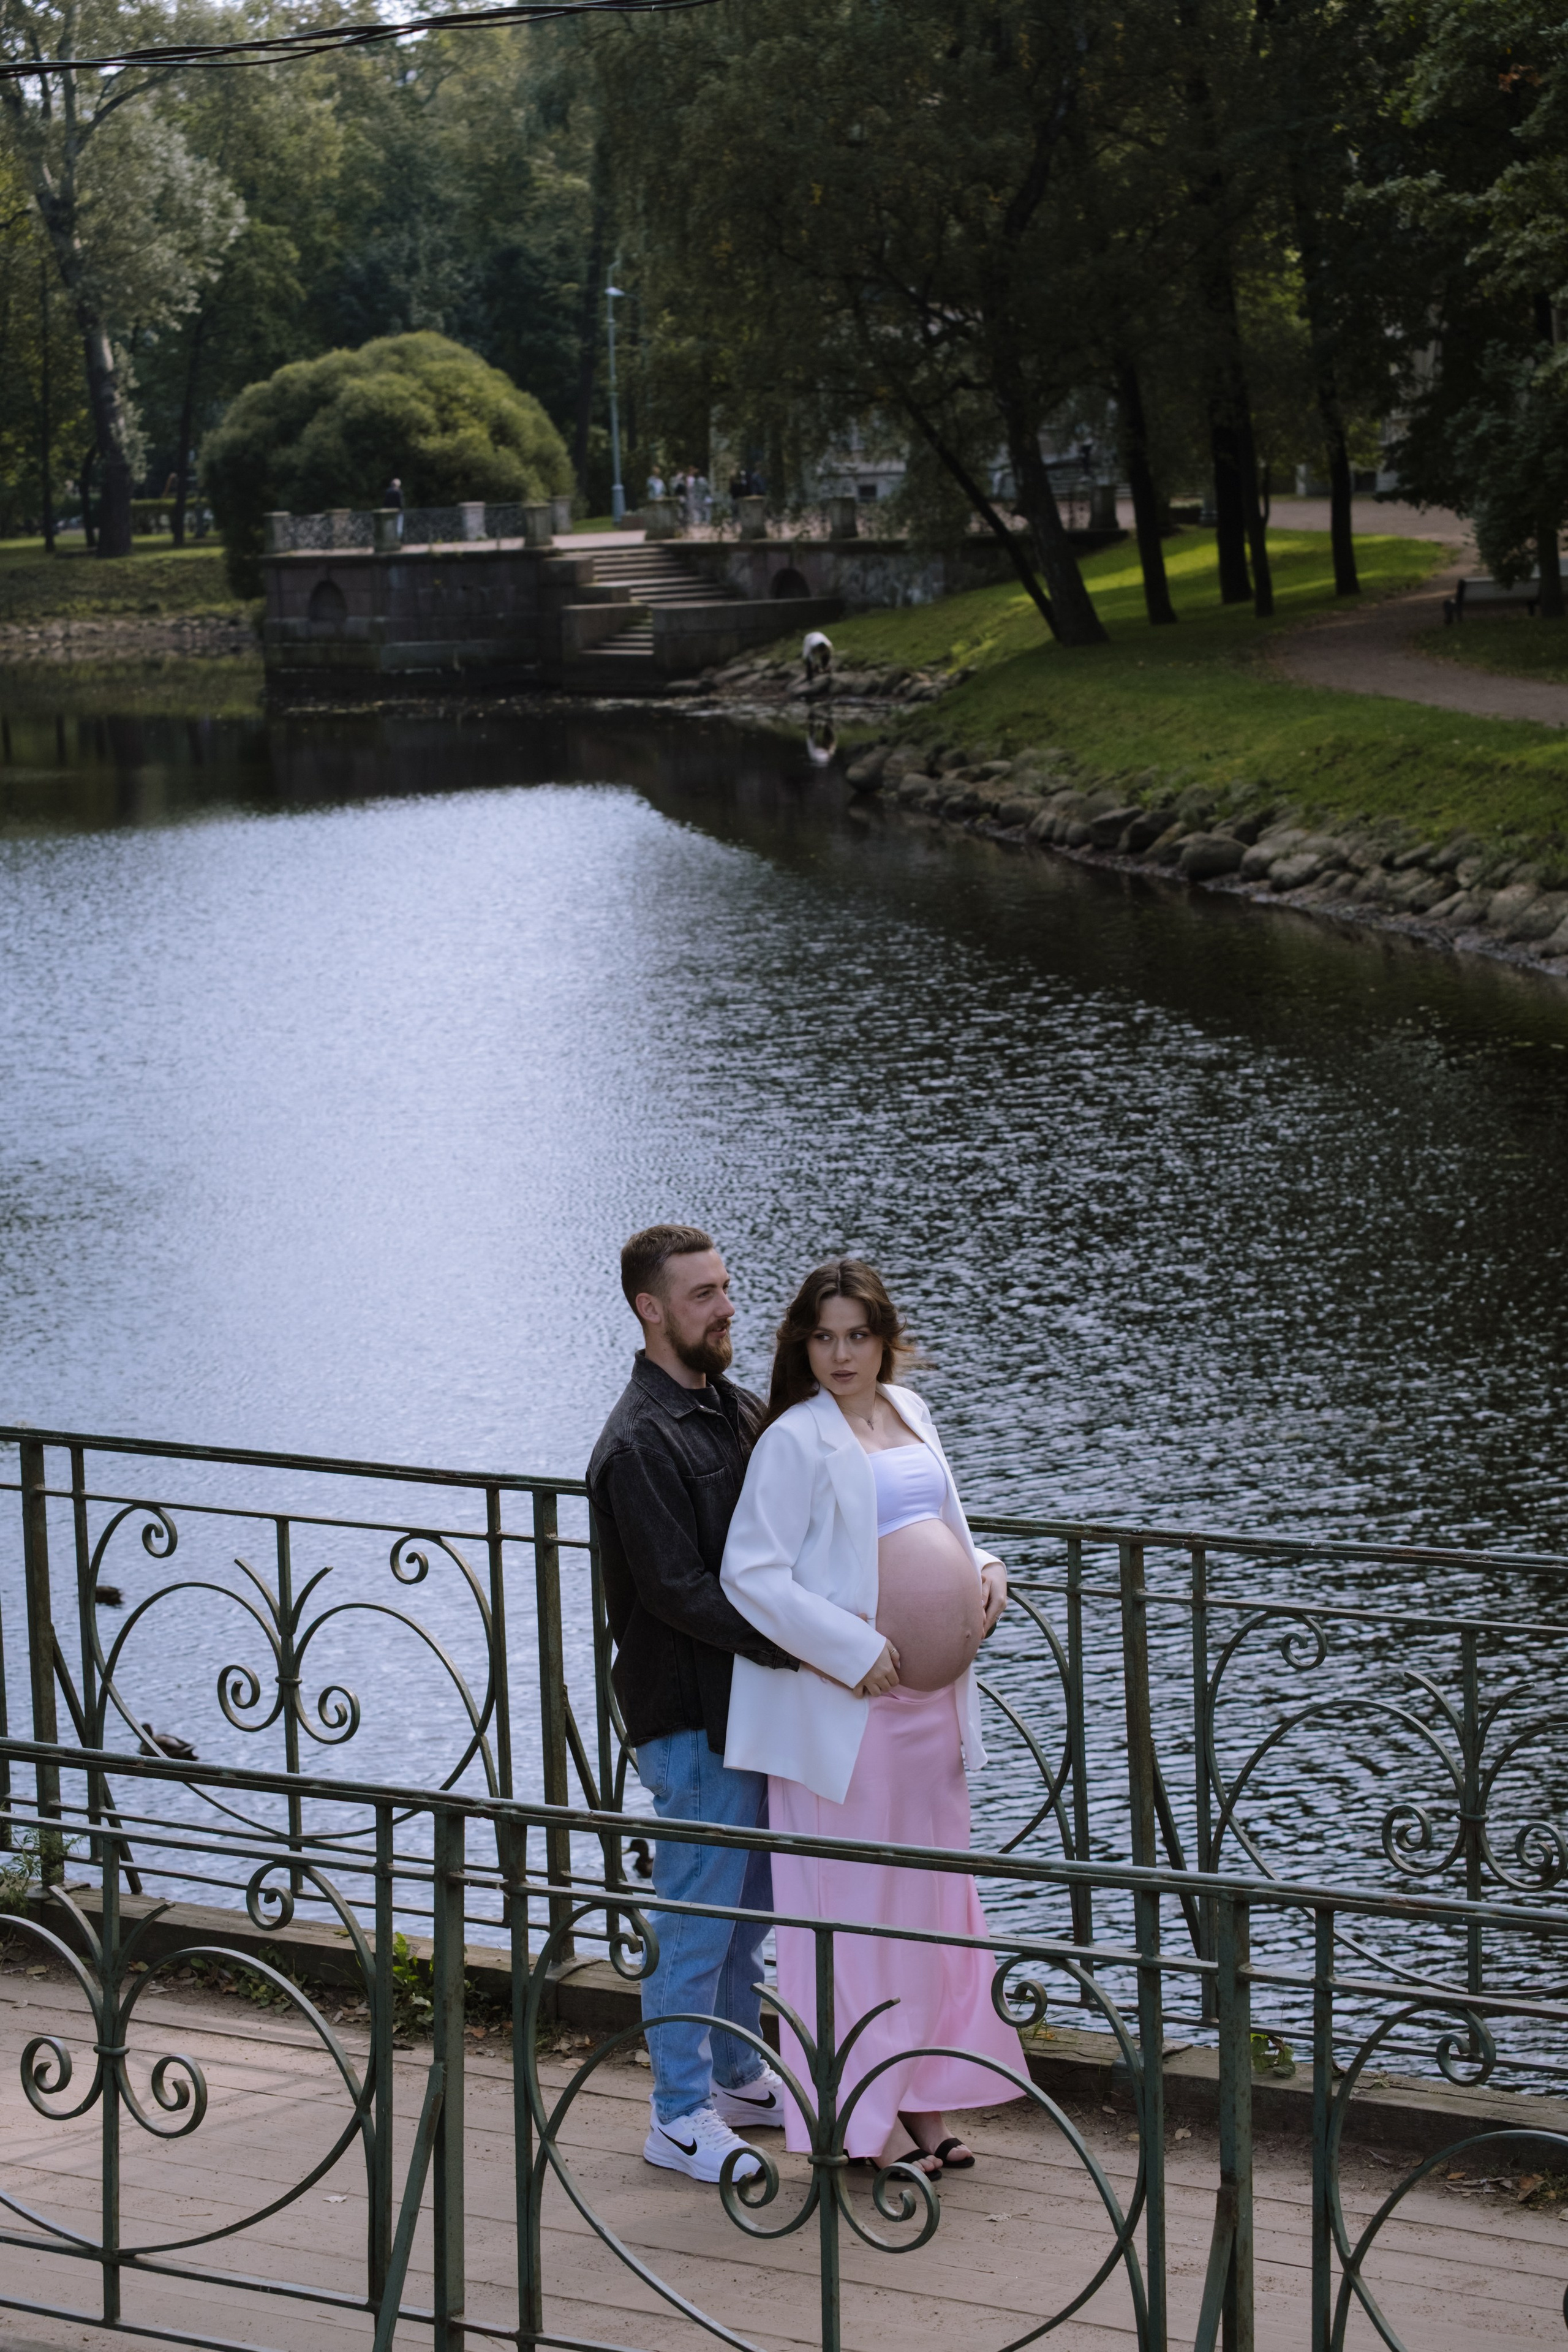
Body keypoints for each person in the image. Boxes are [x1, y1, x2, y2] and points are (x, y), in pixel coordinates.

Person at [720, 1258, 1025, 2177]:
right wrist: (851, 1650)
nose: (841, 1354)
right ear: (802, 1345)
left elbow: (935, 1523)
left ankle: (924, 2106)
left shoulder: (910, 1411)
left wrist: (984, 1569)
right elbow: (751, 1574)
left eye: (857, 1335)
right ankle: (861, 2124)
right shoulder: (793, 1439)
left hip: (931, 1716)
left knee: (928, 1913)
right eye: (823, 1337)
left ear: (886, 1338)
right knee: (852, 1919)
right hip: (849, 1713)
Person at [587, 1224, 797, 2184]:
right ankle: (676, 2117)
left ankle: (736, 2076)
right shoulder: (637, 1442)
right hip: (689, 1718)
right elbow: (677, 1589)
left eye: (725, 1287)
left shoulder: (735, 1408)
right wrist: (807, 1642)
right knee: (697, 1921)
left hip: (750, 1707)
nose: (726, 1308)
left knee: (749, 1913)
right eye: (703, 1295)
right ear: (651, 1309)